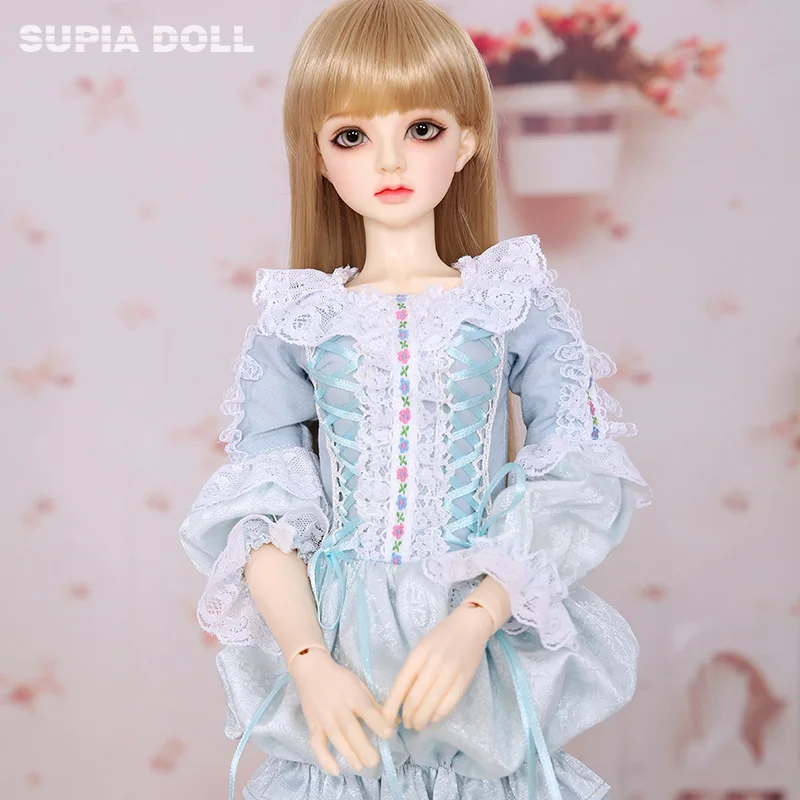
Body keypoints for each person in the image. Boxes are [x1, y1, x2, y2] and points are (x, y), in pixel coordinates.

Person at [177, 1, 653, 798]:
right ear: (318, 155)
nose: (389, 159)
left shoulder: (507, 302)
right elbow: (261, 514)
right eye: (352, 136)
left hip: (472, 630)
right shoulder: (300, 321)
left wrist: (479, 615)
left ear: (467, 140)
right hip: (341, 637)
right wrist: (307, 659)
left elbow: (575, 471)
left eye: (422, 128)